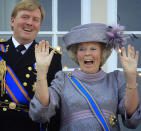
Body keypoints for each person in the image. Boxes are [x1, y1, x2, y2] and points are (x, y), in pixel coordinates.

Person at [29, 23, 141, 131]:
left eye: (93, 49)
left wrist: (131, 79)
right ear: (76, 54)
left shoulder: (115, 80)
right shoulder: (63, 80)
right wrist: (42, 73)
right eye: (82, 49)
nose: (87, 53)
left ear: (103, 53)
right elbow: (40, 113)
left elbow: (132, 120)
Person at [0, 0, 62, 131]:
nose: (29, 23)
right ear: (12, 21)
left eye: (35, 19)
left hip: (30, 125)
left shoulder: (51, 56)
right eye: (25, 17)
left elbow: (55, 104)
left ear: (39, 25)